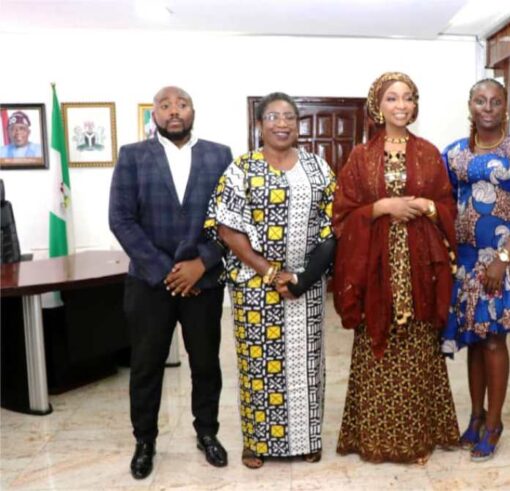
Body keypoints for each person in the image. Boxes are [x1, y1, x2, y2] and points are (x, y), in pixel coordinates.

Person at [333, 72, 460, 464]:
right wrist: (383, 207)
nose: (400, 105)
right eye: (392, 98)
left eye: (407, 98)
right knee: (378, 347)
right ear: (378, 105)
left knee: (419, 348)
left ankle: (418, 439)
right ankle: (373, 440)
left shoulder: (428, 152)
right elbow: (342, 213)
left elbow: (447, 205)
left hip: (420, 267)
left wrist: (425, 205)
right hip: (375, 268)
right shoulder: (360, 156)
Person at [205, 92, 336, 469]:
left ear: (298, 124)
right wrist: (271, 272)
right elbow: (227, 229)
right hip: (254, 286)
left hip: (306, 286)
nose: (282, 123)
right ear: (260, 124)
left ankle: (308, 438)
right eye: (274, 116)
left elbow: (332, 227)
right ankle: (257, 443)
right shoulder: (241, 169)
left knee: (307, 363)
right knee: (258, 365)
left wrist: (302, 278)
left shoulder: (318, 168)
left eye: (290, 117)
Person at [109, 86, 231, 479]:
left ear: (193, 110)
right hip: (149, 284)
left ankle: (207, 433)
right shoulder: (132, 156)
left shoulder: (219, 155)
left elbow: (231, 219)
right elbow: (121, 220)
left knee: (206, 364)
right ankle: (145, 441)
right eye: (165, 106)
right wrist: (167, 270)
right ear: (154, 115)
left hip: (204, 283)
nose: (173, 112)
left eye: (181, 104)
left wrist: (202, 263)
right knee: (146, 367)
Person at [440, 78, 510, 461]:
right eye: (480, 101)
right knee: (473, 338)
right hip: (467, 262)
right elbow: (446, 203)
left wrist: (503, 258)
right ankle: (476, 416)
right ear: (469, 105)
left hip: (502, 260)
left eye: (495, 101)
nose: (488, 107)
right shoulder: (453, 153)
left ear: (506, 107)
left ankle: (496, 422)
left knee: (493, 340)